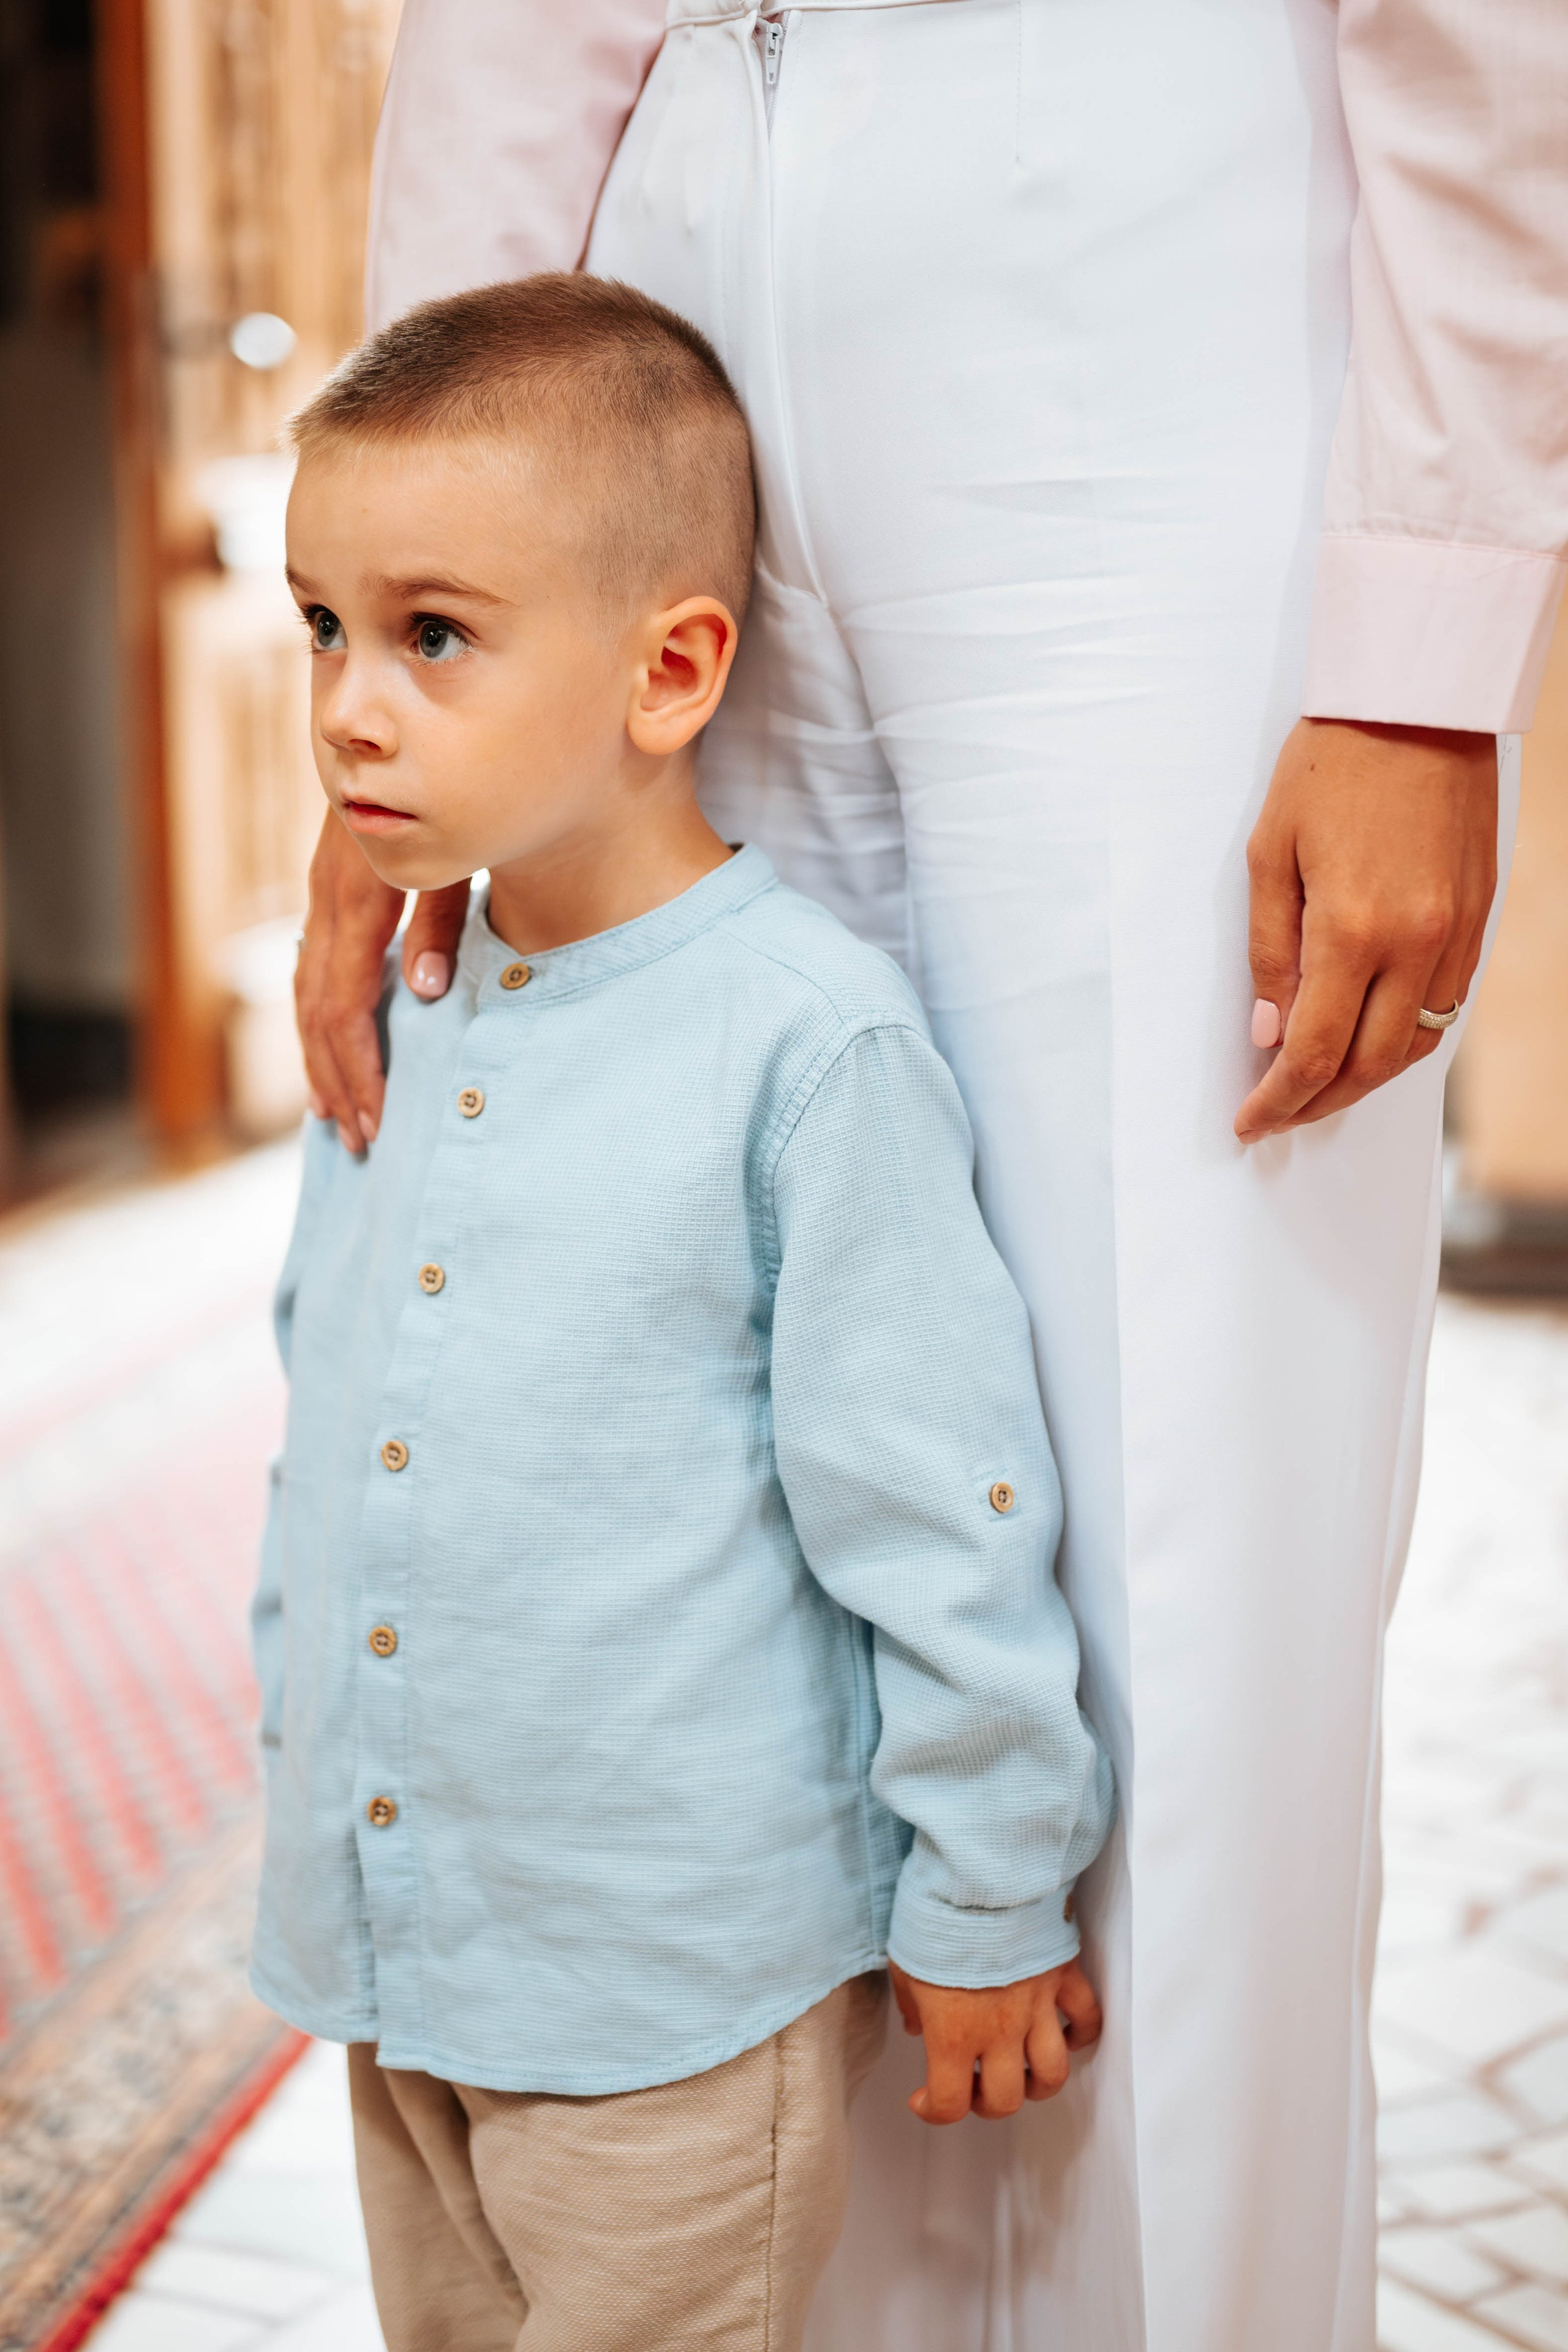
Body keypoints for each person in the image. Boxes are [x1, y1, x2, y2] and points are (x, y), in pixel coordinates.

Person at [293, 7, 1568, 2346]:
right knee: (720, 1548)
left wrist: (1423, 653)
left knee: (1185, 1613)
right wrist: (439, 590)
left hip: (1143, 279)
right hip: (659, 310)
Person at [251, 273, 1114, 2352]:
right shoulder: (409, 1002)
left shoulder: (804, 1048)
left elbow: (942, 1509)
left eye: (432, 635)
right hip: (403, 1953)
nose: (348, 705)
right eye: (323, 626)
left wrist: (990, 1889)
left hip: (667, 1997)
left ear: (671, 671)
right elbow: (334, 1423)